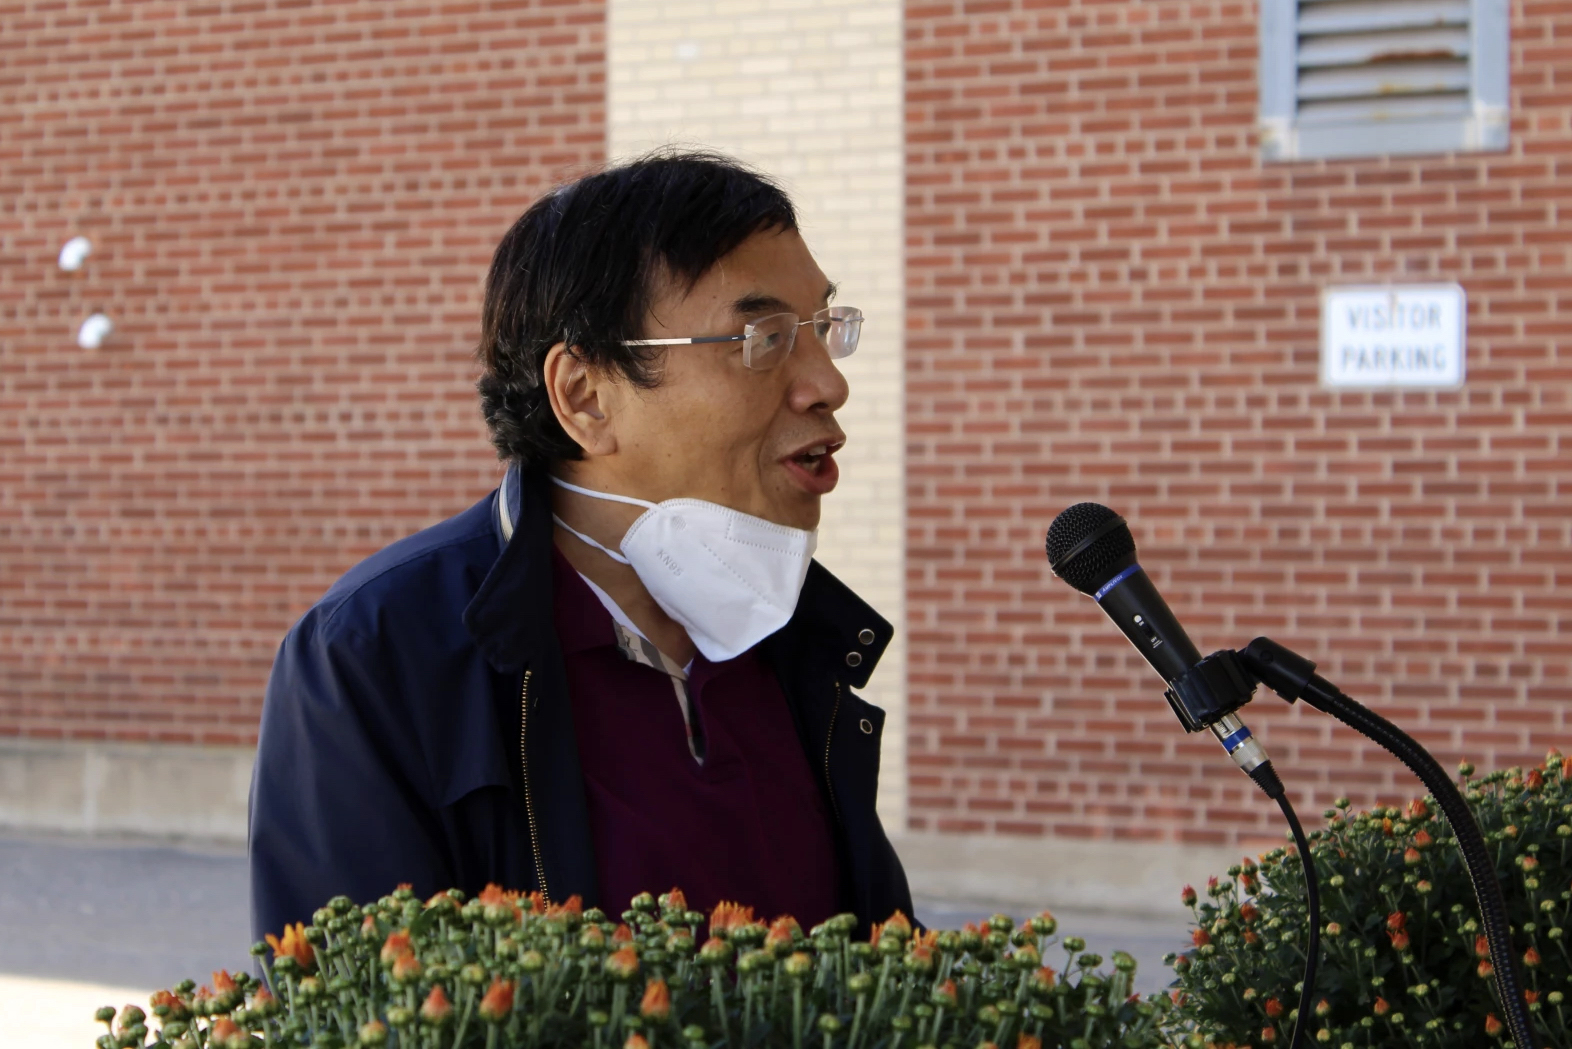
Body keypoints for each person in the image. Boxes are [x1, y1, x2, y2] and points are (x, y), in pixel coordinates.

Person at [248, 151, 912, 942]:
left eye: (823, 329)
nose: (827, 383)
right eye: (763, 338)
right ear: (585, 395)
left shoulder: (798, 637)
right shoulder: (375, 655)